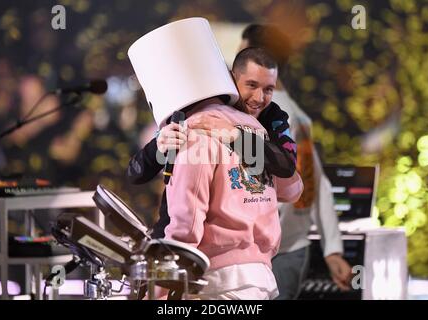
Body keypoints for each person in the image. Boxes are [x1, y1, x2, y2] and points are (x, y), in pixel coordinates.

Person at [127, 17, 303, 299]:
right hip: (261, 277)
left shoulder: (195, 132)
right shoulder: (256, 128)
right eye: (251, 85)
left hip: (217, 281)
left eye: (267, 88)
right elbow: (292, 187)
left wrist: (157, 287)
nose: (259, 97)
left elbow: (187, 222)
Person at [238, 23, 352, 299]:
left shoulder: (258, 115)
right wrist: (332, 248)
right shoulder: (298, 115)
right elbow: (316, 180)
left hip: (261, 252)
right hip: (292, 247)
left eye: (242, 52)